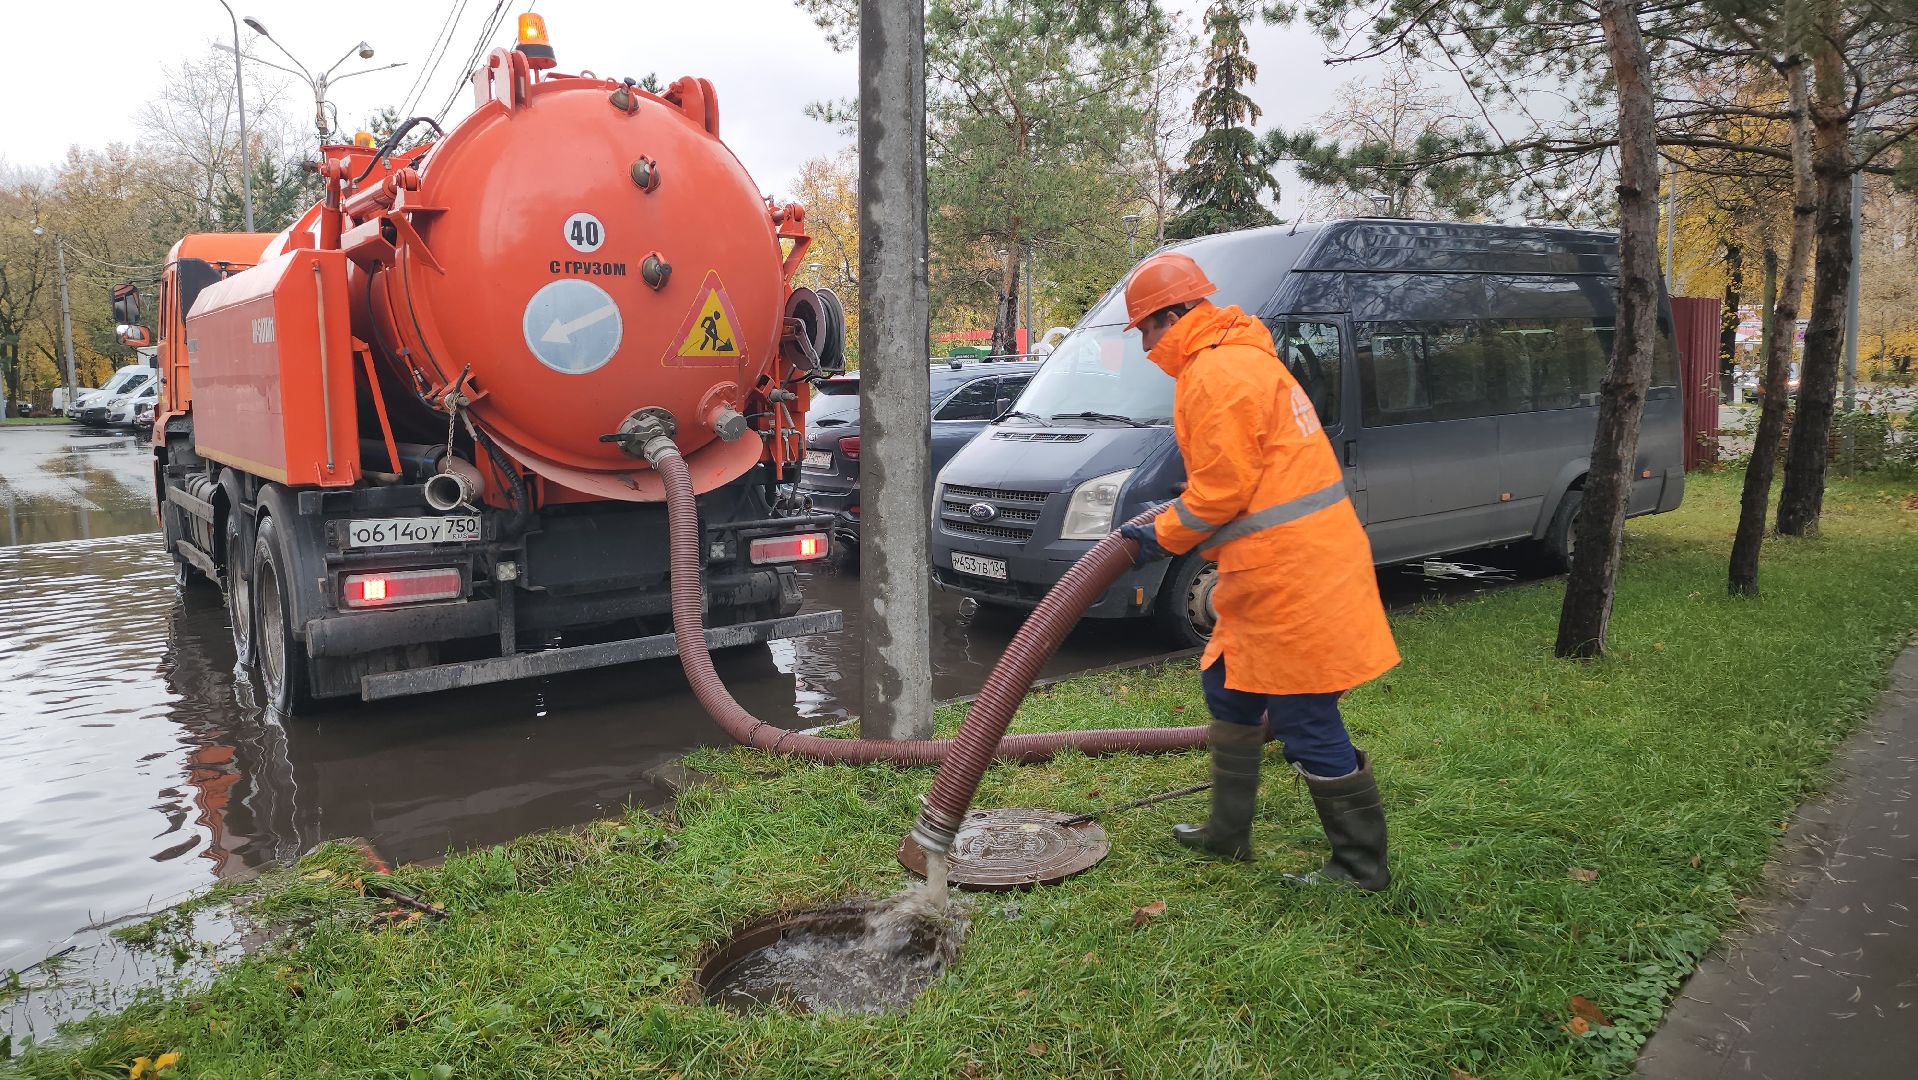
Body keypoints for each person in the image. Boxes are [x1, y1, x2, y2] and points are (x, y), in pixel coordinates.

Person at [1117, 252, 1400, 890]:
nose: (1144, 345)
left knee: (1304, 717)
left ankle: (1361, 867)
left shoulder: (1216, 374)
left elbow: (1219, 493)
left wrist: (1150, 535)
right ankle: (1227, 833)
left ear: (1173, 314)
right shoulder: (1235, 361)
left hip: (1296, 575)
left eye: (1146, 330)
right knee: (1227, 686)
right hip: (1273, 567)